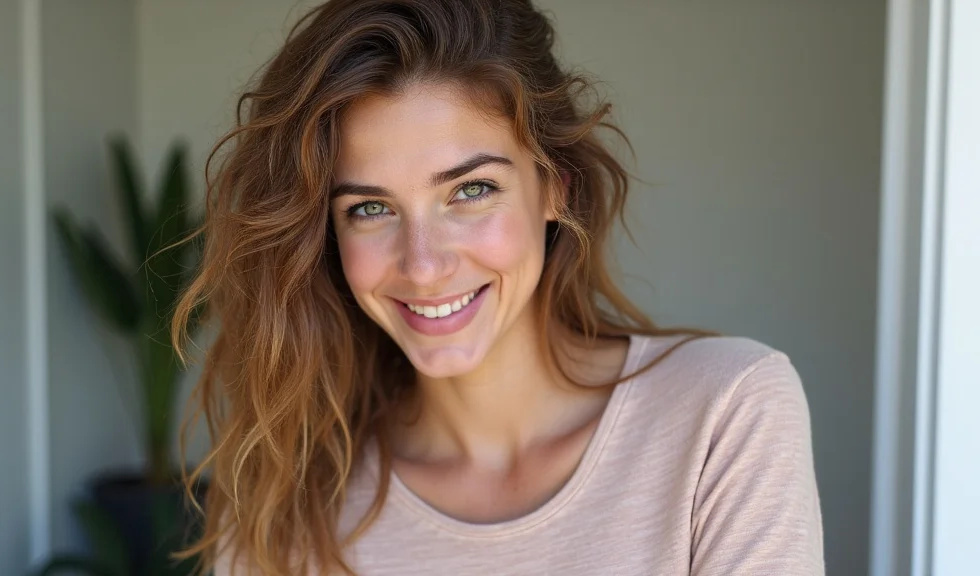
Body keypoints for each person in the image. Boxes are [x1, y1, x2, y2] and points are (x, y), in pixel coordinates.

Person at [172, 0, 825, 574]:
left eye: (471, 191)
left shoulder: (724, 413)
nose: (423, 265)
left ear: (554, 185)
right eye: (369, 208)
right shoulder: (289, 498)